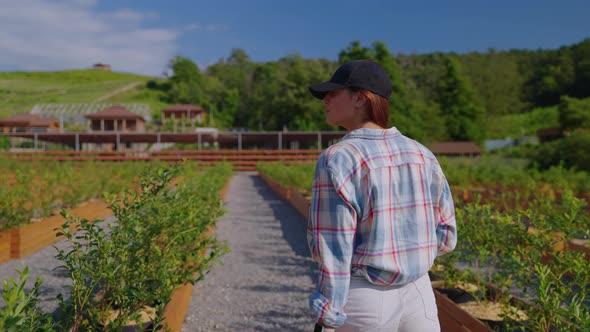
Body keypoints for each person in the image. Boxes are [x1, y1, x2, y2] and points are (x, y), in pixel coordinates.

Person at [306, 60, 457, 332]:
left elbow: (333, 251)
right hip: (420, 292)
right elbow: (446, 236)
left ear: (360, 99)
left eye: (334, 93)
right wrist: (411, 255)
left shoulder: (337, 159)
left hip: (366, 298)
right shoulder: (423, 154)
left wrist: (329, 314)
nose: (325, 100)